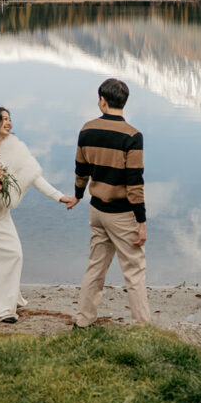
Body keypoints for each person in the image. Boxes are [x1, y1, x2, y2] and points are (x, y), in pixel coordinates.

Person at [0, 106, 74, 323]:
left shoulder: (16, 147)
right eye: (4, 119)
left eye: (10, 119)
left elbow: (34, 176)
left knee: (13, 254)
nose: (9, 123)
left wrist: (59, 196)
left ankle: (6, 299)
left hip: (2, 216)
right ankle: (0, 311)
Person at [68, 78, 150, 327]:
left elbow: (81, 170)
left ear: (102, 101)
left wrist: (78, 195)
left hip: (96, 209)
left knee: (96, 266)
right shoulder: (133, 136)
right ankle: (142, 326)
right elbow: (134, 182)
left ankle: (83, 320)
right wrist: (141, 221)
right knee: (134, 269)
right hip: (122, 213)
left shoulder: (87, 129)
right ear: (123, 102)